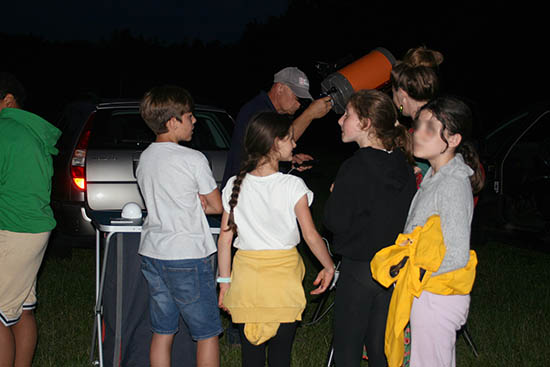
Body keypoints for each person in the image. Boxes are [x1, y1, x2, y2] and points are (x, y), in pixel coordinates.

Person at [217, 112, 335, 367]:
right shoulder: (293, 186)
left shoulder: (235, 184)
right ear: (274, 143)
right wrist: (328, 266)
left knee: (251, 356)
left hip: (248, 283)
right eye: (290, 139)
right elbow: (311, 235)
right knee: (281, 356)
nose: (294, 144)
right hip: (283, 284)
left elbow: (224, 241)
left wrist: (224, 283)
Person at [323, 89, 417, 367]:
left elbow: (333, 221)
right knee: (380, 349)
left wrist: (336, 193)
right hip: (391, 270)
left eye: (347, 115)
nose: (340, 121)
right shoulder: (402, 163)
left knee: (347, 350)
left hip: (358, 269)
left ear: (365, 123)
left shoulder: (355, 167)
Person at [136, 85, 223, 367]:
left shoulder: (145, 158)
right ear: (173, 122)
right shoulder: (193, 159)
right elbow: (216, 206)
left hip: (152, 253)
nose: (194, 120)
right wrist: (200, 200)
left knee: (162, 330)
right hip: (186, 255)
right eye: (189, 116)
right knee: (207, 333)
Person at [404, 96, 484, 367]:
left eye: (430, 127)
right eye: (419, 125)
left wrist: (416, 275)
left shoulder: (452, 183)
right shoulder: (435, 176)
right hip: (429, 294)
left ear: (453, 140)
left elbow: (458, 254)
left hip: (436, 296)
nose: (418, 133)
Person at [0, 72, 61, 367]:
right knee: (23, 308)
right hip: (34, 229)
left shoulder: (4, 130)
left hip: (12, 229)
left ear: (8, 101)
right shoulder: (33, 133)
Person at [221, 66, 332, 187]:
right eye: (297, 97)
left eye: (302, 99)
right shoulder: (257, 112)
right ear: (279, 88)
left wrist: (290, 160)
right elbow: (280, 142)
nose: (299, 104)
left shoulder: (272, 113)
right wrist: (309, 114)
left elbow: (266, 151)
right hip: (243, 193)